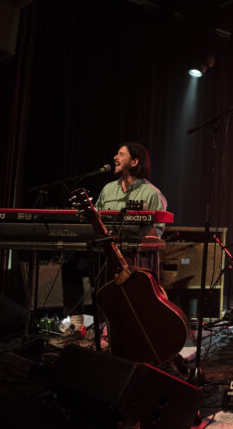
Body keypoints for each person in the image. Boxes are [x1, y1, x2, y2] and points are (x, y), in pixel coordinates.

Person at [49, 142, 167, 348]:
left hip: (131, 256)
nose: (115, 157)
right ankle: (77, 328)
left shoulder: (151, 193)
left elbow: (156, 232)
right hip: (102, 251)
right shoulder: (107, 189)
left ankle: (114, 331)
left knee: (118, 279)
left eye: (121, 154)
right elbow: (96, 221)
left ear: (135, 161)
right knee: (70, 268)